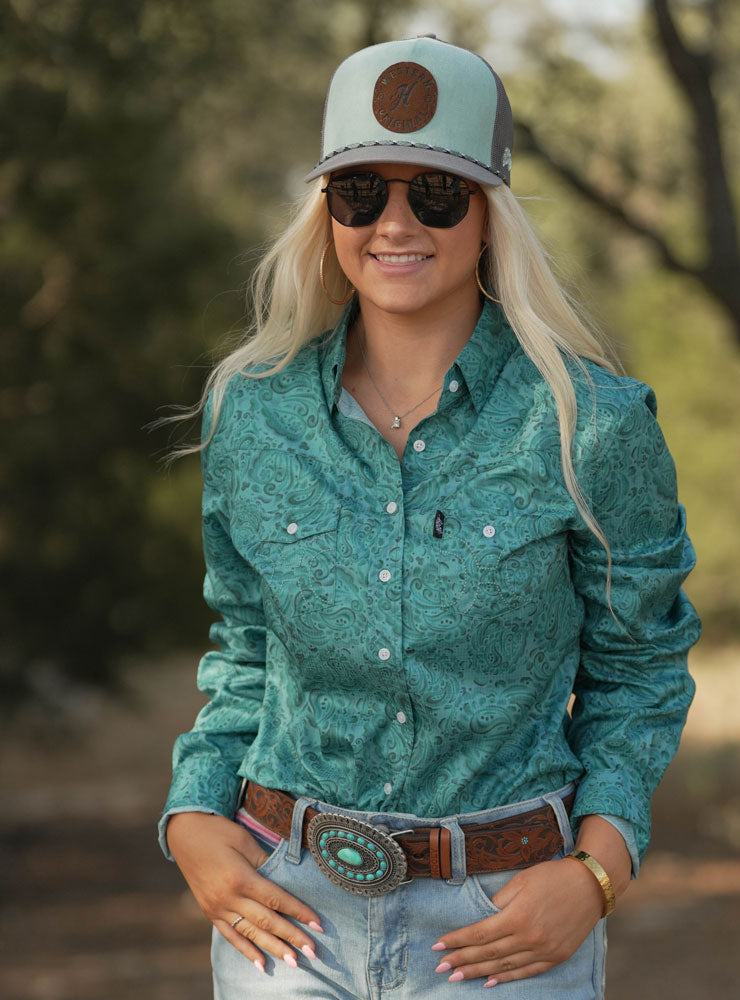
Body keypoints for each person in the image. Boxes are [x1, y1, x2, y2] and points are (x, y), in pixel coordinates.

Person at [159, 35, 701, 999]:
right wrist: (192, 818)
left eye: (436, 194)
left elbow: (642, 671)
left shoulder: (592, 426)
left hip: (505, 931)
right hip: (287, 924)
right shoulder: (252, 410)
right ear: (327, 212)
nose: (394, 224)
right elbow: (244, 649)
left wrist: (597, 873)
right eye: (360, 193)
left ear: (488, 214)